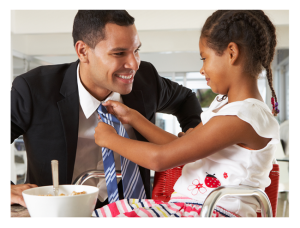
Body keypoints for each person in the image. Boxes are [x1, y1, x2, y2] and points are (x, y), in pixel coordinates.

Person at [93, 10, 280, 217]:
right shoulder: (229, 109)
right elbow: (177, 148)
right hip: (193, 207)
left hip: (211, 212)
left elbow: (160, 159)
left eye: (204, 58)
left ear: (231, 53)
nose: (202, 70)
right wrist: (134, 118)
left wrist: (110, 139)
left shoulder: (242, 117)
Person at [10, 10, 202, 208]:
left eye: (136, 50)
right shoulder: (34, 89)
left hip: (135, 208)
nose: (134, 64)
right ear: (83, 51)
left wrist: (193, 137)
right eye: (119, 53)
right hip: (62, 210)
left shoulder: (146, 79)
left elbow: (185, 99)